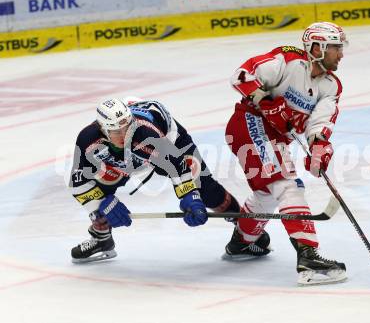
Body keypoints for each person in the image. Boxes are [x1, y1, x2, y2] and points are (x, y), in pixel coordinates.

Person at [223, 22, 348, 285]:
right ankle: (307, 253)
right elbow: (242, 75)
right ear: (317, 47)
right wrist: (266, 101)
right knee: (286, 184)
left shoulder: (331, 86)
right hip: (249, 123)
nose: (341, 54)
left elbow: (319, 125)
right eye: (336, 48)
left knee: (268, 194)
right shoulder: (288, 60)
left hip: (276, 138)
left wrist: (319, 146)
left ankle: (242, 242)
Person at [69, 97, 241, 263]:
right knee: (101, 186)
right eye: (116, 132)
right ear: (103, 129)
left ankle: (245, 229)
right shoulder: (87, 140)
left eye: (127, 127)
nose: (124, 135)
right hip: (128, 157)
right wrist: (100, 204)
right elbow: (78, 182)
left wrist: (190, 196)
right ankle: (102, 238)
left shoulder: (145, 133)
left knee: (205, 189)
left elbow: (176, 165)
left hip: (170, 142)